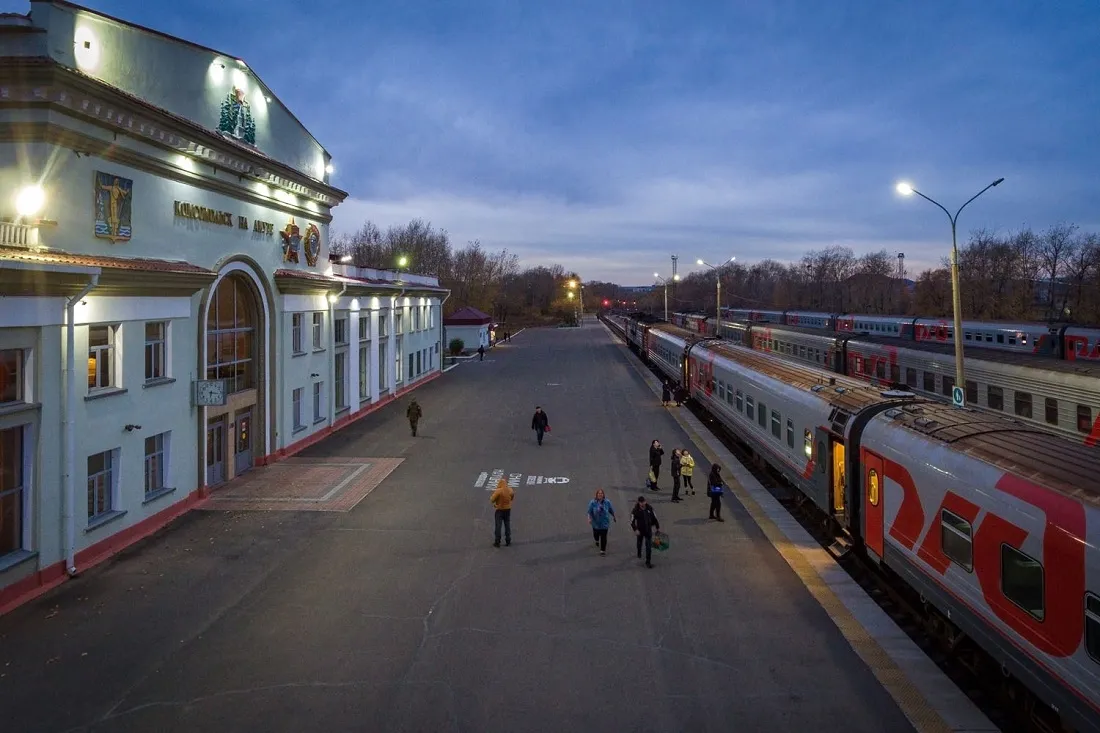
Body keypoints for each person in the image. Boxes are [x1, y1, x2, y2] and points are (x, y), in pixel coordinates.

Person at [630, 496, 660, 568]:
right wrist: (635, 529)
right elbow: (632, 522)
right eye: (641, 502)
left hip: (648, 530)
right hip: (640, 531)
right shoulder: (635, 510)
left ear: (645, 501)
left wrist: (657, 527)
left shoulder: (650, 508)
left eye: (643, 502)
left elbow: (655, 518)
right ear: (639, 503)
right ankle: (639, 551)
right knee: (639, 543)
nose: (642, 504)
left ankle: (648, 562)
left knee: (649, 547)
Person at [586, 489, 617, 555]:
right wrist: (589, 518)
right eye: (599, 493)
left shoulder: (607, 502)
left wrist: (614, 516)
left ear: (603, 495)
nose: (600, 495)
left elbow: (610, 509)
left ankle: (603, 550)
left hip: (604, 523)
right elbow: (589, 511)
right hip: (596, 523)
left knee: (603, 536)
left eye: (601, 493)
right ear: (596, 495)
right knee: (596, 534)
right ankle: (596, 540)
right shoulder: (593, 502)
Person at [489, 478, 514, 547]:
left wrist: (496, 503)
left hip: (499, 510)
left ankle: (497, 541)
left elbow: (492, 499)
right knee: (507, 525)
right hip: (507, 509)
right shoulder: (510, 490)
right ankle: (508, 540)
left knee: (498, 526)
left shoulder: (498, 491)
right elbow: (512, 497)